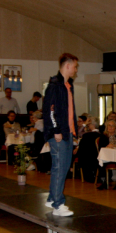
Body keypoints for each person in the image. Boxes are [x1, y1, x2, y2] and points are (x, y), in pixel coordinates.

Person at [43, 53, 79, 217]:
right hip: (58, 133)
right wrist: (56, 130)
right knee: (59, 167)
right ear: (67, 66)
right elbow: (49, 110)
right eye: (75, 66)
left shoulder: (68, 85)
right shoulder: (54, 85)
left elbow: (70, 111)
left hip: (67, 132)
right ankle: (58, 204)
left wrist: (74, 130)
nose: (76, 70)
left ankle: (52, 198)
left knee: (63, 167)